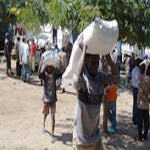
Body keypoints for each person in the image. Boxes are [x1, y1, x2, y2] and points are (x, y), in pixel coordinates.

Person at [72, 38, 119, 150]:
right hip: (81, 139)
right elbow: (75, 81)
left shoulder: (101, 78)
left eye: (97, 61)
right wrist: (83, 52)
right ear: (86, 62)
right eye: (92, 62)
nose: (96, 65)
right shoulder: (83, 80)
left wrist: (108, 57)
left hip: (95, 137)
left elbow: (117, 80)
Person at [38, 58, 61, 143]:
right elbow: (39, 74)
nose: (50, 68)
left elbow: (60, 73)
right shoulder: (44, 73)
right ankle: (43, 125)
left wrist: (59, 63)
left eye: (51, 66)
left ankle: (52, 134)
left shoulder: (55, 72)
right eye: (48, 66)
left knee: (53, 116)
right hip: (46, 98)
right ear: (47, 66)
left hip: (53, 98)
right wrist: (41, 63)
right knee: (46, 113)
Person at [137, 64, 150, 141]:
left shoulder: (139, 79)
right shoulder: (148, 79)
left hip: (140, 103)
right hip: (146, 103)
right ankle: (145, 135)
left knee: (140, 121)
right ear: (145, 69)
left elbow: (139, 92)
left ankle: (139, 136)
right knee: (146, 120)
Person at [131, 58, 141, 128]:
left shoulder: (134, 69)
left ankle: (134, 119)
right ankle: (135, 121)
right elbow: (138, 79)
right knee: (136, 105)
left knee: (135, 104)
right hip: (136, 88)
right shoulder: (137, 70)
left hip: (134, 88)